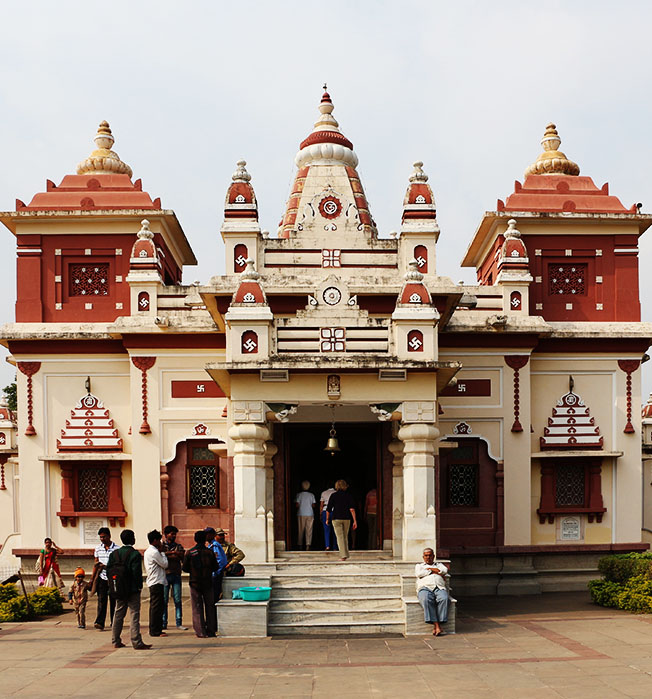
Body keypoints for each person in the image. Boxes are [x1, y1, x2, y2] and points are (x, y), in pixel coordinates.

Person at [109, 529, 151, 650]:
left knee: (118, 614)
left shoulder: (114, 554)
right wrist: (139, 586)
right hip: (132, 589)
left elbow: (108, 570)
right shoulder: (134, 554)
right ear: (132, 539)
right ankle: (136, 641)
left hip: (119, 588)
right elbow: (136, 572)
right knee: (134, 614)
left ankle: (115, 640)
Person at [182, 530, 218, 638]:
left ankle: (200, 631)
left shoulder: (190, 552)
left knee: (197, 608)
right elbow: (215, 567)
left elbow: (185, 568)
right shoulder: (209, 552)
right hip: (208, 582)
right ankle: (211, 630)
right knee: (210, 607)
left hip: (195, 583)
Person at [415, 547, 450, 637]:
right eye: (426, 555)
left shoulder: (439, 564)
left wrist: (429, 570)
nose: (428, 557)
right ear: (423, 557)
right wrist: (434, 571)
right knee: (426, 599)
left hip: (439, 587)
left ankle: (437, 625)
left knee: (444, 598)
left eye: (430, 555)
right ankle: (437, 626)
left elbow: (444, 571)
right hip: (424, 588)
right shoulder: (419, 566)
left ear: (433, 556)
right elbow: (419, 574)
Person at [93, 527, 119, 630]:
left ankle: (114, 622)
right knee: (101, 600)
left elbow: (118, 564)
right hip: (102, 577)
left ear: (109, 536)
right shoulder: (98, 548)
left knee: (113, 601)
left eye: (104, 537)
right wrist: (92, 578)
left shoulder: (117, 549)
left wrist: (106, 566)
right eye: (100, 537)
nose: (102, 539)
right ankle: (100, 622)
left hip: (113, 578)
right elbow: (95, 563)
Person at [144, 529, 168, 638]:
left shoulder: (148, 551)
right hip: (156, 581)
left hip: (154, 580)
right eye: (159, 540)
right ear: (155, 540)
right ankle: (155, 630)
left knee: (157, 606)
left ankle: (156, 628)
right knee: (156, 607)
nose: (160, 542)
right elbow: (164, 564)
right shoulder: (154, 552)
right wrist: (162, 552)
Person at [162, 525, 187, 630]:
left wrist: (171, 555)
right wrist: (173, 553)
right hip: (165, 575)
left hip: (176, 574)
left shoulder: (178, 546)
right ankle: (163, 622)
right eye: (172, 534)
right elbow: (161, 555)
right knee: (164, 600)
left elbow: (182, 556)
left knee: (177, 599)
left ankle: (179, 622)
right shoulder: (162, 546)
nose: (173, 536)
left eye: (174, 534)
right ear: (166, 535)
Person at [326, 480, 357, 560]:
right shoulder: (348, 496)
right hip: (347, 519)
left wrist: (327, 519)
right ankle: (346, 554)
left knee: (340, 537)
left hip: (336, 518)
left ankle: (343, 556)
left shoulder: (333, 495)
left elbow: (328, 509)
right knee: (345, 536)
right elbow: (352, 509)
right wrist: (355, 521)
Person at [205, 526, 228, 602]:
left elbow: (220, 560)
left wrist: (216, 572)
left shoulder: (215, 545)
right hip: (213, 574)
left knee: (215, 596)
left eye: (207, 534)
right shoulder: (210, 545)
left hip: (216, 574)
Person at [295, 480, 316, 550]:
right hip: (310, 513)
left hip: (301, 513)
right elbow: (313, 505)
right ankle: (308, 544)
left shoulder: (299, 495)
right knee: (309, 530)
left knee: (300, 530)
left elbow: (297, 505)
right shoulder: (311, 495)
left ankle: (300, 544)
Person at [320, 484, 336, 551]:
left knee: (326, 529)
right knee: (335, 530)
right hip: (334, 511)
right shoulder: (336, 492)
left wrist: (320, 514)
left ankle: (327, 546)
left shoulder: (323, 493)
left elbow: (321, 505)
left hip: (325, 510)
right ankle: (335, 547)